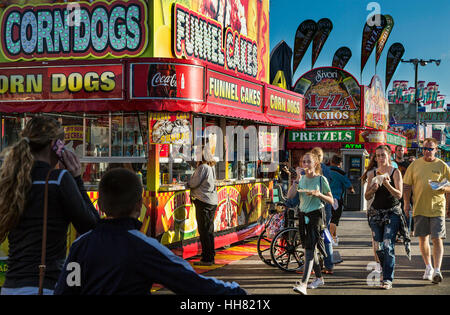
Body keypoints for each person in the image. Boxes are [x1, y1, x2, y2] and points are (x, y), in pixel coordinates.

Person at [54, 168, 246, 295]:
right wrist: (236, 291)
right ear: (139, 205)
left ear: (101, 206)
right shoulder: (144, 248)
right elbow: (191, 283)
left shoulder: (81, 246)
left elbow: (67, 289)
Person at [0, 116, 100, 295]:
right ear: (55, 145)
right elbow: (91, 226)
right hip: (43, 286)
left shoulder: (11, 181)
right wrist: (76, 178)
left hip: (10, 286)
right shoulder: (59, 180)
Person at [403, 138, 450, 284]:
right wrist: (406, 204)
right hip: (419, 207)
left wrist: (444, 189)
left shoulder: (442, 166)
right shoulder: (415, 164)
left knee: (437, 239)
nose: (427, 151)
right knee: (423, 239)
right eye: (424, 149)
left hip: (437, 207)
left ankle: (437, 270)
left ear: (436, 150)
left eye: (430, 149)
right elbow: (406, 185)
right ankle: (428, 267)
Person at [292, 152, 334, 295]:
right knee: (309, 248)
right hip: (303, 216)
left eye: (309, 162)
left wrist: (319, 194)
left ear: (315, 164)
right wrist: (297, 179)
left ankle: (303, 283)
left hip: (316, 215)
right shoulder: (301, 179)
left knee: (309, 249)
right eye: (304, 162)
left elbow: (331, 201)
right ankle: (319, 278)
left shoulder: (321, 179)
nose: (305, 164)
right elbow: (290, 195)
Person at [364, 145, 403, 290]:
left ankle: (387, 279)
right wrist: (372, 189)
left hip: (392, 212)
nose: (380, 158)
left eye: (383, 155)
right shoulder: (371, 174)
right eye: (378, 155)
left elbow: (399, 195)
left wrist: (387, 184)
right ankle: (384, 267)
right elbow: (366, 196)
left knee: (388, 245)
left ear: (389, 156)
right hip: (375, 213)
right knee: (378, 246)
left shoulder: (395, 172)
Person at [187, 147, 218, 266]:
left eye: (197, 153)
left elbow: (193, 183)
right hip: (211, 201)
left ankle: (207, 258)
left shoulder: (202, 167)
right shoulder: (211, 166)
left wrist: (187, 183)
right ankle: (210, 254)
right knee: (209, 230)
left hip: (203, 200)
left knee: (204, 230)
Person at [310, 147, 334, 273]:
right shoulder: (327, 169)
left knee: (314, 237)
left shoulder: (313, 170)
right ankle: (329, 265)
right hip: (326, 207)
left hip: (316, 207)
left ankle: (312, 266)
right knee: (325, 235)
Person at [329, 155, 355, 245]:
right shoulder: (341, 173)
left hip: (324, 198)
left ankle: (334, 236)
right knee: (334, 219)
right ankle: (329, 239)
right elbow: (349, 186)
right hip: (336, 199)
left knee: (330, 219)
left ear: (331, 161)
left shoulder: (325, 171)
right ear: (340, 163)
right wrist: (352, 190)